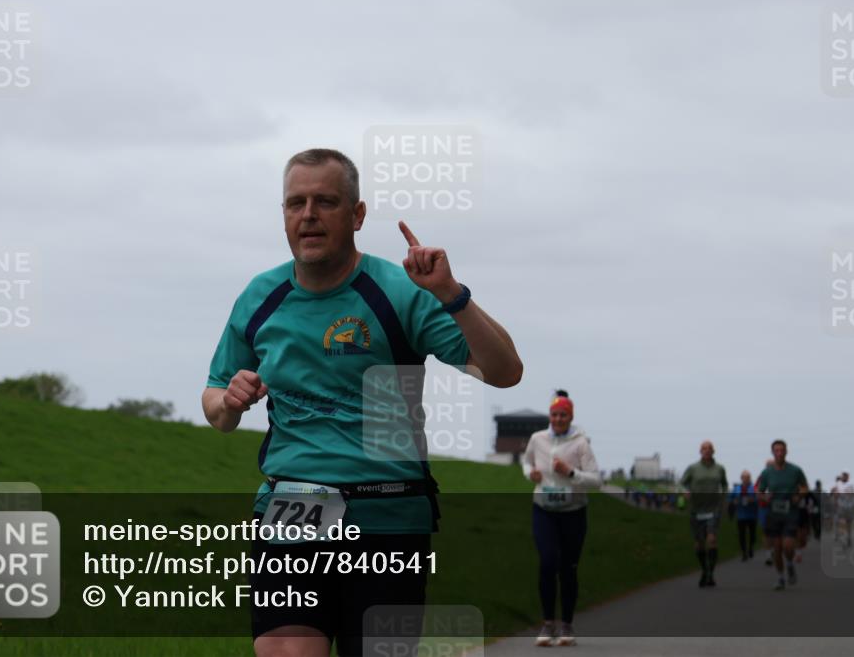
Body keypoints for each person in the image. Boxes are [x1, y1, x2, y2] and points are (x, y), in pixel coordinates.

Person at [201, 148, 523, 657]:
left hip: (388, 516)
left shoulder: (400, 290)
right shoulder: (259, 296)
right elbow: (216, 402)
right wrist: (230, 401)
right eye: (295, 203)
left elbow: (506, 372)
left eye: (325, 202)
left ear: (357, 215)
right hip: (293, 509)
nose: (308, 215)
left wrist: (451, 294)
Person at [523, 390, 601, 647]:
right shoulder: (538, 438)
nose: (558, 419)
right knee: (547, 562)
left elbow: (596, 481)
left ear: (571, 416)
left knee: (568, 568)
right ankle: (547, 624)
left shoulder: (580, 443)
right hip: (543, 509)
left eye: (563, 415)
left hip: (573, 512)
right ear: (550, 416)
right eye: (554, 414)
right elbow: (526, 463)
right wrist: (531, 473)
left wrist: (570, 473)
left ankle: (566, 624)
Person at [756, 440, 809, 591]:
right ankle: (780, 578)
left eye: (782, 450)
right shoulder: (767, 472)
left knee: (787, 545)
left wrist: (798, 496)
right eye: (776, 451)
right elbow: (759, 490)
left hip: (790, 512)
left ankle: (790, 564)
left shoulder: (795, 470)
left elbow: (805, 488)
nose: (779, 453)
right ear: (773, 453)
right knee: (777, 548)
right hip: (773, 513)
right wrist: (764, 497)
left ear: (786, 452)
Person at [680, 441, 728, 587]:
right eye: (704, 449)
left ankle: (710, 574)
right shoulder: (693, 468)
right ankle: (704, 569)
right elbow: (682, 483)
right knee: (699, 544)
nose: (707, 451)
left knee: (712, 539)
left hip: (713, 509)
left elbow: (724, 484)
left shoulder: (719, 468)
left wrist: (723, 498)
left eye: (709, 449)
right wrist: (685, 491)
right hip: (696, 509)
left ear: (713, 451)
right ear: (700, 451)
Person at [729, 470, 759, 561]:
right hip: (741, 515)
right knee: (742, 535)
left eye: (747, 477)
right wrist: (734, 502)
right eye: (744, 477)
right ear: (741, 478)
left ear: (750, 478)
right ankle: (744, 553)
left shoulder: (754, 488)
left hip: (752, 515)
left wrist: (753, 500)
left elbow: (759, 498)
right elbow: (730, 498)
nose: (746, 479)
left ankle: (751, 548)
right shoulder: (737, 488)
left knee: (752, 534)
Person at [832, 472, 854, 549]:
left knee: (848, 524)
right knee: (841, 522)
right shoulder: (837, 487)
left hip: (849, 508)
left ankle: (848, 537)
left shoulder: (850, 486)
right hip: (841, 508)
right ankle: (843, 537)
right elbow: (834, 495)